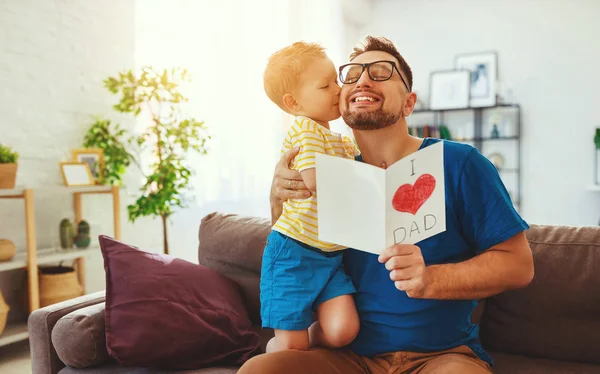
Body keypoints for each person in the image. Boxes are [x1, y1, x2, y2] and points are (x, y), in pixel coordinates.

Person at [239, 36, 534, 373]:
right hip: (346, 357)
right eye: (350, 75)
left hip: (442, 356)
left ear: (409, 103)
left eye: (381, 72)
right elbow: (293, 242)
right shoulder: (323, 166)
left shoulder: (460, 163)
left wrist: (431, 278)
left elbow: (519, 266)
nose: (363, 80)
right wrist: (277, 197)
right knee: (258, 370)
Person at [259, 41, 360, 353]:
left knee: (344, 330)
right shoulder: (305, 130)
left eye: (336, 80)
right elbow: (316, 181)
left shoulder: (341, 141)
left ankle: (309, 336)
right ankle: (276, 349)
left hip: (331, 254)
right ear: (294, 103)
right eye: (325, 85)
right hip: (294, 254)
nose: (337, 90)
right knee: (292, 346)